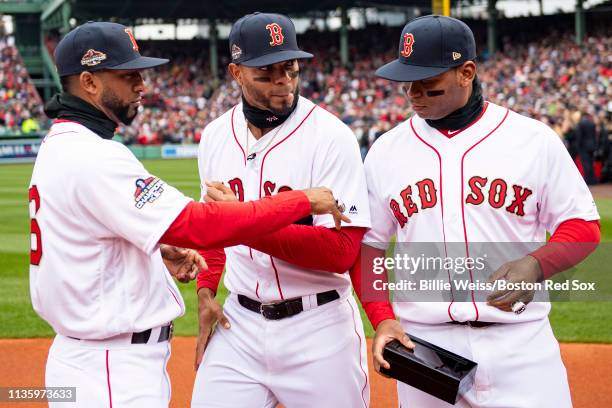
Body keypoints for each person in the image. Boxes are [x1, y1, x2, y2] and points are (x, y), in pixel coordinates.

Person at [29, 21, 347, 408]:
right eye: (129, 76)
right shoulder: (95, 155)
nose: (142, 86)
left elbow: (85, 233)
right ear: (90, 83)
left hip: (91, 360)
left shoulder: (60, 145)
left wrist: (157, 250)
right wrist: (300, 201)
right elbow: (198, 225)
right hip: (111, 369)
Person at [363, 15, 601, 408]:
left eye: (428, 82)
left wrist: (539, 264)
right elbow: (370, 248)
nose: (414, 93)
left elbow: (582, 226)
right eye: (408, 81)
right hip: (427, 348)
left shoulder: (532, 140)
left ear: (466, 72)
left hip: (520, 347)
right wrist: (381, 315)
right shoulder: (386, 151)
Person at [190, 12, 407, 408]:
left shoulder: (330, 137)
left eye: (290, 68)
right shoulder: (215, 136)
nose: (283, 81)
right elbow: (212, 233)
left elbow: (341, 251)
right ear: (236, 73)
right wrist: (206, 292)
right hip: (238, 324)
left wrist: (241, 220)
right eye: (266, 73)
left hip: (318, 326)